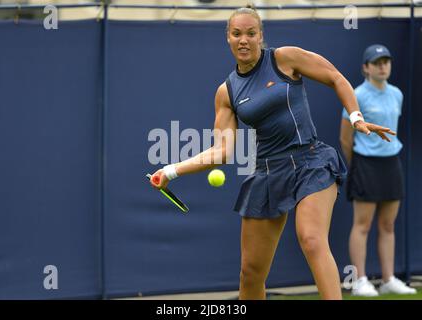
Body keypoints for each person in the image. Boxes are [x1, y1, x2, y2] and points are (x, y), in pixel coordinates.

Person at [150, 6, 395, 300]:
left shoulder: (285, 58)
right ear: (227, 38)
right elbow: (222, 151)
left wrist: (355, 117)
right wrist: (172, 170)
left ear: (261, 36)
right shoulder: (226, 92)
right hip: (267, 173)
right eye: (237, 34)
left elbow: (335, 77)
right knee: (251, 273)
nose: (244, 40)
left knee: (312, 238)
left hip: (311, 161)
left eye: (251, 33)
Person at [340, 44, 416, 296]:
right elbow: (345, 138)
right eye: (377, 62)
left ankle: (387, 279)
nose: (383, 66)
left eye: (386, 61)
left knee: (388, 225)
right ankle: (360, 280)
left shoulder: (397, 94)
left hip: (391, 163)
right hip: (365, 163)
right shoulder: (357, 95)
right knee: (362, 225)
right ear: (366, 68)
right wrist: (357, 165)